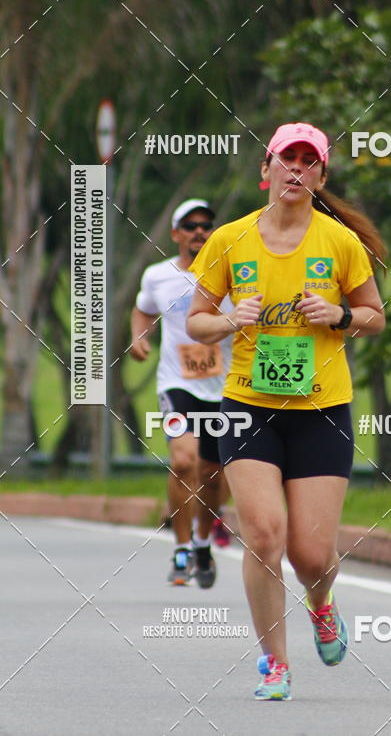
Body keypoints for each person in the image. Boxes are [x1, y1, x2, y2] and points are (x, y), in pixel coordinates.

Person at [186, 123, 386, 700]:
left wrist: (341, 316)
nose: (295, 169)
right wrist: (229, 320)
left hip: (322, 410)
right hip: (248, 407)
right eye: (286, 159)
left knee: (311, 554)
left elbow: (375, 315)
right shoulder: (229, 239)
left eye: (308, 161)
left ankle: (322, 605)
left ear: (321, 176)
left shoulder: (338, 243)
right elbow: (196, 319)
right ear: (266, 171)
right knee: (264, 536)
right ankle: (274, 664)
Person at [130, 199, 233, 588]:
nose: (199, 232)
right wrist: (139, 336)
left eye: (207, 225)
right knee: (183, 461)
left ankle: (204, 542)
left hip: (224, 388)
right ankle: (181, 546)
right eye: (190, 226)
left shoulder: (233, 275)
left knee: (211, 473)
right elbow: (143, 309)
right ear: (175, 234)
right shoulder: (159, 275)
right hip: (177, 384)